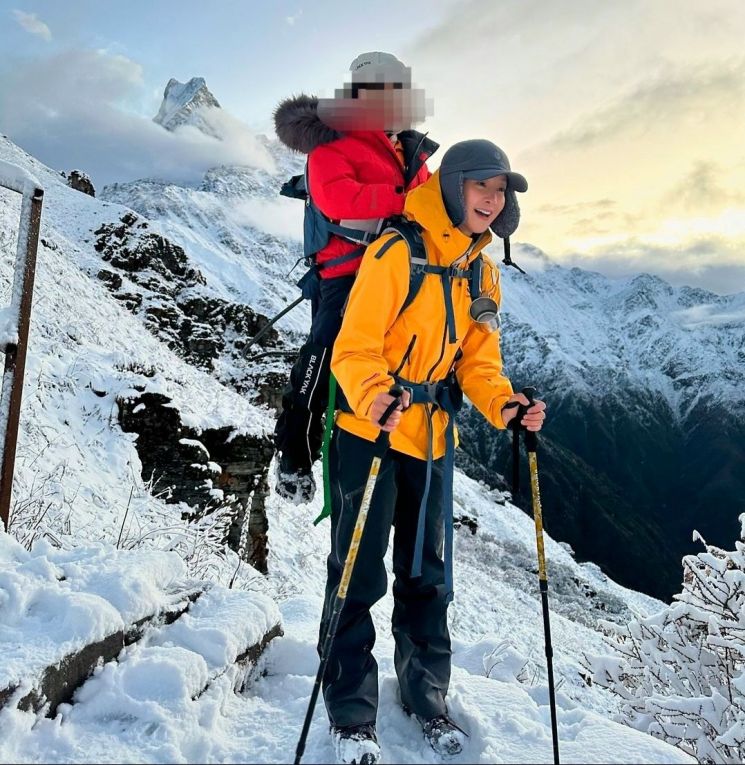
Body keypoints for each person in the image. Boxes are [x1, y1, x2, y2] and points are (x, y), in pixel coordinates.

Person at [321, 139, 547, 764]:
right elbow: (354, 346)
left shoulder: (482, 270)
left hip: (432, 436)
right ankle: (350, 710)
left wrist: (505, 405)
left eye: (501, 192)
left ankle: (428, 698)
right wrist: (373, 397)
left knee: (428, 577)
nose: (493, 200)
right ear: (452, 187)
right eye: (483, 187)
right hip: (371, 431)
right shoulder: (398, 249)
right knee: (357, 574)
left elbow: (478, 360)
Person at [272, 51, 437, 504]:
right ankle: (294, 446)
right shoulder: (332, 144)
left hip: (403, 272)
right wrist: (405, 200)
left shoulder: (409, 149)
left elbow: (434, 203)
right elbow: (338, 197)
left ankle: (388, 449)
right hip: (347, 271)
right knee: (326, 350)